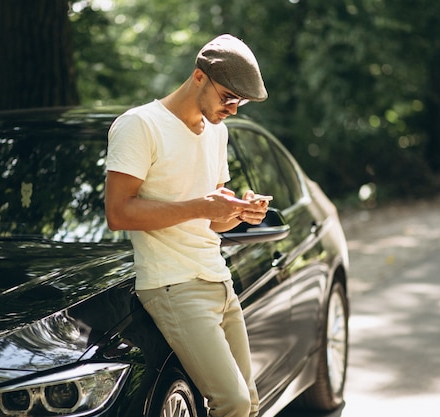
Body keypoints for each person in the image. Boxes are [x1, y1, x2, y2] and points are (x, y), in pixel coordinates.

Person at [105, 34, 269, 417]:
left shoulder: (217, 132)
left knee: (250, 404)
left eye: (240, 102)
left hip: (217, 277)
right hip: (173, 284)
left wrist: (239, 211)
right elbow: (119, 213)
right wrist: (201, 206)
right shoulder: (140, 125)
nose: (233, 109)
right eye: (228, 96)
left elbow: (212, 217)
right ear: (199, 77)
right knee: (233, 402)